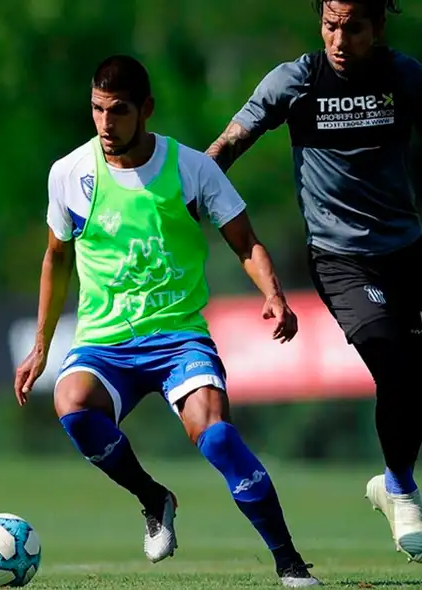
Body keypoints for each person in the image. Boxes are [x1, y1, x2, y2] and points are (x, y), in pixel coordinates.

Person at [13, 55, 319, 587]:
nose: (106, 124)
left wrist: (272, 291)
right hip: (105, 341)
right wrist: (41, 345)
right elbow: (55, 258)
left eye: (119, 111)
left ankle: (290, 563)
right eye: (97, 110)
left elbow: (244, 241)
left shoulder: (192, 169)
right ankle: (154, 498)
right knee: (73, 406)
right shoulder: (69, 174)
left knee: (219, 439)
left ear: (146, 110)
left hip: (179, 337)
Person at [205, 0, 422, 561]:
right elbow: (229, 145)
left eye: (353, 28)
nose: (339, 39)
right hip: (341, 259)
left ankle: (391, 479)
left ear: (377, 27)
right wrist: (181, 194)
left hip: (409, 253)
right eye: (330, 26)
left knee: (411, 377)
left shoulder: (403, 76)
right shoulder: (296, 81)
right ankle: (401, 489)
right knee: (388, 354)